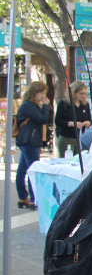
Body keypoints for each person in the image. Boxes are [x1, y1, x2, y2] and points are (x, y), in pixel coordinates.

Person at [14, 81, 50, 210]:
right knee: (32, 170)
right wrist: (46, 106)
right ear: (34, 93)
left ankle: (23, 197)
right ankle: (33, 198)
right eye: (41, 93)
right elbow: (42, 119)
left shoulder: (30, 106)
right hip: (29, 140)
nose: (43, 96)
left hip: (29, 140)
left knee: (24, 169)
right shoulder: (28, 106)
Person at [54, 80, 92, 157]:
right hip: (66, 137)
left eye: (85, 93)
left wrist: (88, 123)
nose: (84, 96)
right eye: (81, 93)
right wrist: (72, 124)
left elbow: (89, 119)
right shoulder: (64, 104)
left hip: (79, 138)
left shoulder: (85, 105)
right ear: (74, 93)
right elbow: (58, 121)